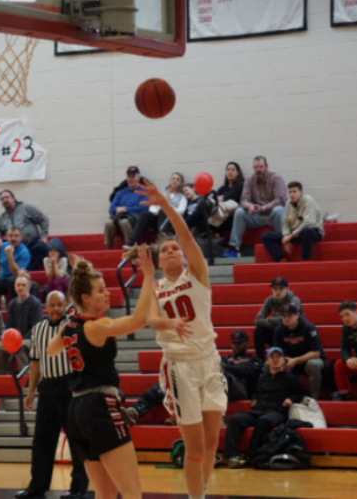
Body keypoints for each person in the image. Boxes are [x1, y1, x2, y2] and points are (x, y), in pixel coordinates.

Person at [137, 179, 227, 499]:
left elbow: (186, 235)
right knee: (196, 445)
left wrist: (164, 203)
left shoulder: (197, 273)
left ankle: (199, 490)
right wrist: (171, 322)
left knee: (213, 441)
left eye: (175, 247)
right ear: (159, 261)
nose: (172, 250)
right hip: (181, 366)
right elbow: (150, 320)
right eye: (165, 249)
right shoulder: (157, 288)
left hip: (209, 359)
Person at [46, 247, 155, 499]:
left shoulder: (71, 325)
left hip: (76, 411)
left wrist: (72, 318)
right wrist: (148, 276)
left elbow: (52, 350)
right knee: (132, 492)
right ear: (85, 298)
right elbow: (139, 321)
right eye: (100, 290)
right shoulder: (97, 326)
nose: (107, 294)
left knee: (105, 493)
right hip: (100, 406)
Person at [17, 291, 88, 499]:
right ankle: (36, 487)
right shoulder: (38, 329)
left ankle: (78, 488)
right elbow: (35, 362)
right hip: (47, 389)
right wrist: (30, 391)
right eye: (52, 305)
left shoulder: (73, 324)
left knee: (76, 439)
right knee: (42, 440)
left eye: (60, 304)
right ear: (45, 307)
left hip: (69, 386)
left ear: (66, 305)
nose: (56, 308)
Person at [223, 347, 309, 469]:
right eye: (272, 357)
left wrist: (291, 399)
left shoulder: (291, 378)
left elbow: (303, 394)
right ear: (267, 361)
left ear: (283, 360)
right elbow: (256, 392)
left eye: (278, 357)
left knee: (263, 421)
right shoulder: (262, 378)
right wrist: (254, 398)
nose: (275, 360)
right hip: (258, 410)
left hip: (277, 412)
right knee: (234, 419)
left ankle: (251, 455)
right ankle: (232, 456)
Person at [223, 156, 287, 258]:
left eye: (261, 167)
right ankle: (235, 249)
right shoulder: (249, 180)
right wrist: (250, 206)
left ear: (266, 166)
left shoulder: (276, 178)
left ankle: (281, 243)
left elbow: (280, 199)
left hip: (272, 215)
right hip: (256, 216)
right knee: (239, 212)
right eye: (256, 167)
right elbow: (243, 199)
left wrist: (264, 208)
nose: (258, 170)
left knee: (279, 210)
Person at [0, 190, 49, 273]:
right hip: (11, 248)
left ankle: (26, 272)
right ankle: (0, 273)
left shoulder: (27, 208)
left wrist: (43, 236)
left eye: (7, 197)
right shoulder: (1, 218)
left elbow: (43, 220)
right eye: (2, 199)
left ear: (14, 198)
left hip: (30, 244)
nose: (5, 200)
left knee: (41, 247)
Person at [261, 182, 324, 262]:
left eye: (294, 192)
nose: (291, 194)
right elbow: (286, 223)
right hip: (294, 233)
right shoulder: (288, 203)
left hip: (313, 232)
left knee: (306, 230)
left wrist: (289, 237)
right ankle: (282, 260)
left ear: (301, 192)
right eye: (290, 192)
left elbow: (309, 224)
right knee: (265, 236)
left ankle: (306, 260)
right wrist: (286, 236)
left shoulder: (308, 200)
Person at [0, 274, 42, 375]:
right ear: (14, 287)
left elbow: (35, 328)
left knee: (20, 346)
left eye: (23, 285)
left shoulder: (35, 303)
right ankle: (4, 376)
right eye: (18, 285)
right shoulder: (12, 304)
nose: (20, 287)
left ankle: (25, 376)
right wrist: (9, 341)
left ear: (29, 287)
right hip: (15, 340)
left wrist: (18, 341)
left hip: (31, 340)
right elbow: (9, 327)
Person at [273, 305, 325, 398]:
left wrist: (296, 360)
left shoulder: (309, 328)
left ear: (297, 315)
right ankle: (278, 397)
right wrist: (283, 360)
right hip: (291, 361)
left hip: (310, 360)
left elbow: (316, 353)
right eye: (284, 316)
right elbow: (277, 352)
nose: (287, 319)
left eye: (290, 316)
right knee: (270, 364)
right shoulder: (279, 330)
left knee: (313, 364)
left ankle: (314, 398)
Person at [126, 172, 186, 248]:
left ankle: (161, 239)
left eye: (177, 180)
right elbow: (153, 205)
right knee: (145, 214)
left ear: (180, 183)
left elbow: (181, 210)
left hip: (171, 222)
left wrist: (167, 209)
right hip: (158, 219)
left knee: (164, 210)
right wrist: (154, 212)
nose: (174, 181)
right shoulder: (163, 192)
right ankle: (132, 242)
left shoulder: (182, 197)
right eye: (173, 178)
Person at [252, 277, 303, 360]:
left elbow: (290, 320)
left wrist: (271, 319)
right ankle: (260, 361)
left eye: (281, 288)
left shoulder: (294, 300)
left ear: (287, 289)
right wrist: (276, 324)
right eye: (275, 289)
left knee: (284, 327)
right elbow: (258, 320)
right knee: (258, 331)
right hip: (278, 331)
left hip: (294, 332)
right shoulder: (269, 300)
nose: (278, 292)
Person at [105, 166, 149, 250]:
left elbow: (145, 207)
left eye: (133, 176)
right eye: (129, 176)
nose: (131, 179)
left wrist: (126, 210)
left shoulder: (144, 191)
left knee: (124, 222)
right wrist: (116, 209)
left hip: (135, 220)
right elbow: (111, 209)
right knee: (108, 224)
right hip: (118, 218)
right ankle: (108, 249)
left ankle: (130, 247)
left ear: (138, 178)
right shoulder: (120, 192)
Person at [221, 330, 264, 401]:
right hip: (225, 389)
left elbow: (247, 372)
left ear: (247, 343)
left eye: (240, 343)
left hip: (242, 392)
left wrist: (226, 367)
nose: (236, 346)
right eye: (234, 343)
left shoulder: (254, 360)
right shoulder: (225, 358)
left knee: (225, 374)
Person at [0, 227, 31, 297]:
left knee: (12, 281)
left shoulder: (24, 252)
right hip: (3, 280)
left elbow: (16, 272)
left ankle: (14, 306)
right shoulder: (3, 246)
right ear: (6, 237)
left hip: (17, 280)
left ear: (20, 237)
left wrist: (10, 255)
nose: (13, 238)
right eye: (11, 236)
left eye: (16, 236)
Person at [209, 162, 245, 232]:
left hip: (230, 217)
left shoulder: (240, 186)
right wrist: (217, 200)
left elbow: (229, 198)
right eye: (228, 170)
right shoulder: (222, 188)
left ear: (237, 173)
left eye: (233, 170)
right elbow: (213, 200)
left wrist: (221, 199)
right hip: (217, 215)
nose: (230, 171)